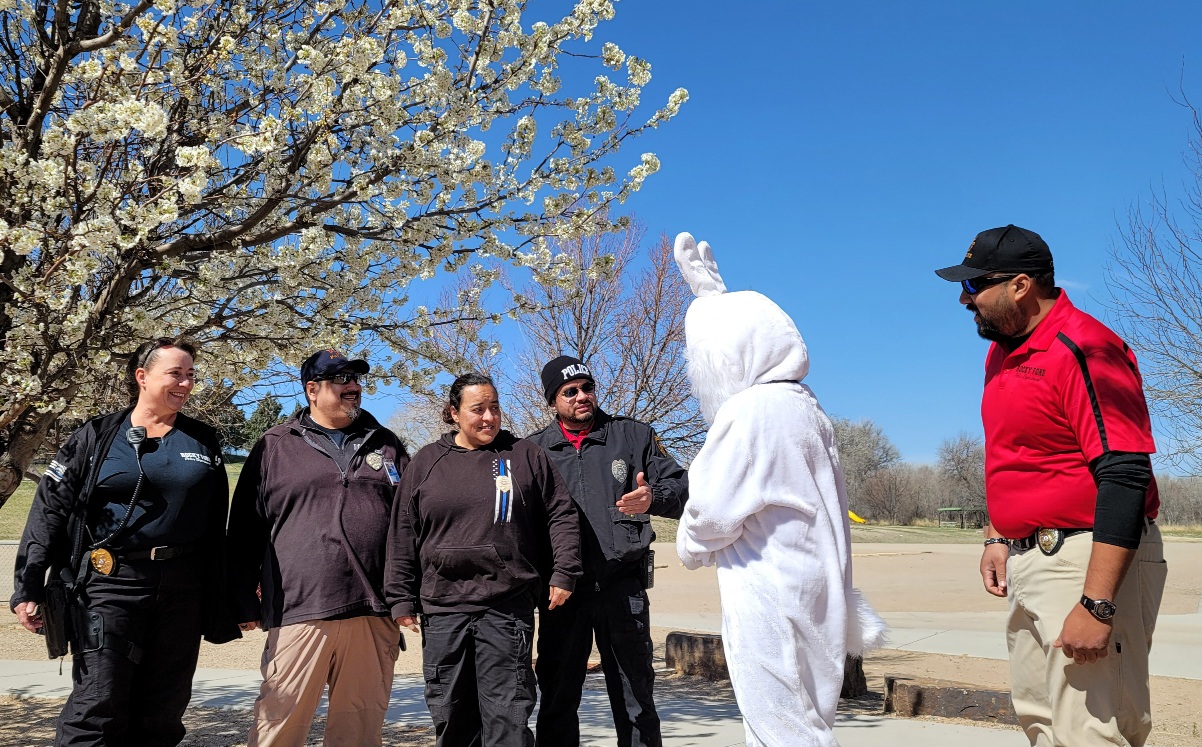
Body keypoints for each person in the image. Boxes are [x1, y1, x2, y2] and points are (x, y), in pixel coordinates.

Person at [935, 224, 1167, 746]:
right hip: (1029, 559)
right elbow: (1016, 454)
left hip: (1086, 557)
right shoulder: (1002, 352)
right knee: (1039, 721)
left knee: (1091, 731)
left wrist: (1097, 604)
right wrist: (999, 534)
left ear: (1021, 285)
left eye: (974, 286)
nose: (964, 299)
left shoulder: (1087, 348)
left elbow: (1125, 475)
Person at [670, 233, 886, 747]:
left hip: (771, 593)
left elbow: (711, 511)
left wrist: (689, 543)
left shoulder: (751, 412)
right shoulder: (805, 407)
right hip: (815, 586)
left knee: (782, 727)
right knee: (808, 717)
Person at [10, 336, 239, 746]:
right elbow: (50, 509)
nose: (186, 383)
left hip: (182, 590)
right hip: (110, 585)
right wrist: (27, 586)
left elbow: (217, 522)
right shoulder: (97, 435)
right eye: (175, 373)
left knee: (163, 710)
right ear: (142, 376)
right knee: (98, 704)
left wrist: (230, 592)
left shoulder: (203, 440)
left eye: (191, 375)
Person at [385, 372, 581, 747]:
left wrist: (565, 571)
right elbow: (403, 530)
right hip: (443, 608)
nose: (489, 417)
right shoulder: (427, 461)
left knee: (508, 717)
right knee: (452, 716)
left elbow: (561, 514)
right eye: (478, 409)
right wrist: (400, 597)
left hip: (506, 607)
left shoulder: (524, 455)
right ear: (453, 413)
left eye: (495, 407)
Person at [226, 349, 410, 747]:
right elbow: (244, 528)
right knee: (278, 730)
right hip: (299, 609)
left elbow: (409, 524)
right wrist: (242, 600)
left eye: (356, 379)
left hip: (372, 609)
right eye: (342, 379)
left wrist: (406, 596)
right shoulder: (275, 446)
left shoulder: (386, 443)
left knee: (359, 735)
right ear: (312, 389)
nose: (354, 386)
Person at [527, 355, 688, 747]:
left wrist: (653, 497)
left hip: (622, 588)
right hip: (563, 594)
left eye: (587, 387)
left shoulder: (633, 436)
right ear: (552, 402)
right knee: (557, 699)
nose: (582, 396)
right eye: (570, 392)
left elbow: (681, 488)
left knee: (636, 700)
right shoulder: (533, 451)